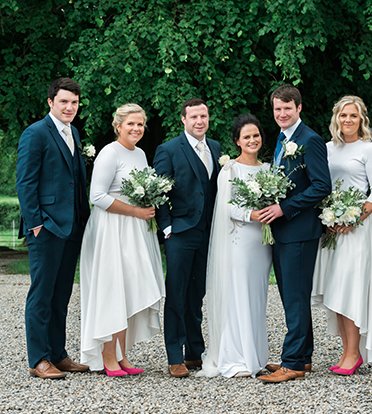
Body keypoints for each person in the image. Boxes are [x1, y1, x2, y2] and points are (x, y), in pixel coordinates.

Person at [79, 104, 165, 376]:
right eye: (131, 124)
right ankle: (107, 356)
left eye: (140, 124)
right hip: (112, 229)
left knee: (128, 289)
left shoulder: (140, 153)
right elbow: (98, 197)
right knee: (112, 289)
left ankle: (123, 355)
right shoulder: (109, 153)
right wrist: (136, 211)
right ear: (118, 126)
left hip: (136, 230)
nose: (136, 129)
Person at [311, 96, 372, 375]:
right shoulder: (326, 149)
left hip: (358, 228)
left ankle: (354, 353)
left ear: (361, 120)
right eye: (343, 115)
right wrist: (328, 216)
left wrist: (355, 217)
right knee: (337, 289)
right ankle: (347, 351)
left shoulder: (368, 149)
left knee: (352, 288)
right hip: (332, 228)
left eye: (353, 116)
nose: (347, 120)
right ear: (336, 118)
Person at [16, 77, 90, 379]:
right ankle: (39, 359)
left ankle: (58, 355)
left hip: (71, 227)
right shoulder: (35, 133)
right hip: (45, 227)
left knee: (61, 295)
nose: (69, 107)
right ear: (51, 102)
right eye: (64, 101)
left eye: (74, 102)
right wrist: (35, 224)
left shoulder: (74, 133)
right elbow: (25, 182)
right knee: (42, 294)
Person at [257, 84, 331, 383]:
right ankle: (303, 356)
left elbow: (321, 186)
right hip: (283, 231)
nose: (282, 114)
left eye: (287, 108)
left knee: (296, 296)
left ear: (299, 108)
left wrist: (283, 208)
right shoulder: (281, 138)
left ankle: (292, 363)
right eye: (277, 109)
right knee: (291, 296)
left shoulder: (309, 140)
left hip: (299, 230)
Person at [197, 114, 272, 378]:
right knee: (238, 295)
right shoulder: (230, 169)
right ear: (237, 142)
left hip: (262, 244)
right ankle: (236, 358)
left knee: (257, 296)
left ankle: (256, 355)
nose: (253, 140)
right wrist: (251, 214)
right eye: (247, 137)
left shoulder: (268, 169)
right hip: (240, 240)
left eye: (256, 135)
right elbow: (226, 207)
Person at [153, 98, 222, 378]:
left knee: (198, 294)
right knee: (177, 294)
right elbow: (158, 191)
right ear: (183, 119)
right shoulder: (168, 149)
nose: (199, 121)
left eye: (203, 116)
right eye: (193, 117)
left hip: (208, 234)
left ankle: (195, 351)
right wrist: (167, 227)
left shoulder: (215, 148)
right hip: (180, 233)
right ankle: (174, 355)